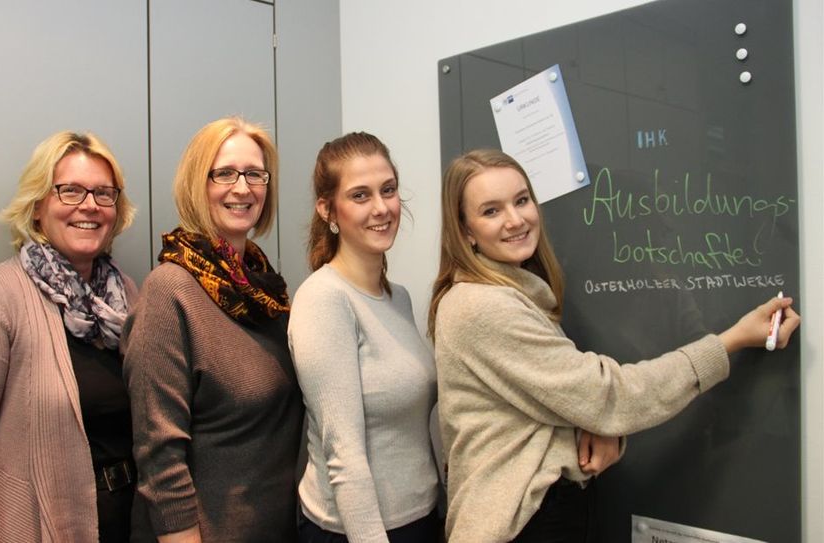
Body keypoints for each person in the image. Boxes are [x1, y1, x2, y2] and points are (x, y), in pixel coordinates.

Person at [427, 149, 801, 543]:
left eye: (522, 200)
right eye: (491, 211)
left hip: (539, 511)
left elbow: (551, 401)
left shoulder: (518, 293)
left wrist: (598, 421)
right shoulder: (481, 307)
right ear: (464, 230)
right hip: (517, 523)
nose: (516, 219)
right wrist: (733, 339)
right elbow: (608, 395)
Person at [0, 131, 139, 541]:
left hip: (129, 524)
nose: (90, 206)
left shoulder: (128, 298)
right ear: (38, 207)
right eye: (70, 191)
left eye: (103, 193)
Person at [122, 117, 303, 543]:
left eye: (254, 174)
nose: (242, 188)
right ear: (196, 184)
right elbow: (159, 454)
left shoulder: (266, 292)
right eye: (224, 173)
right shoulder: (170, 291)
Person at [288, 132, 441, 543]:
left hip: (420, 518)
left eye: (388, 190)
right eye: (360, 195)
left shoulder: (399, 298)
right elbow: (344, 457)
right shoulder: (323, 300)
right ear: (327, 209)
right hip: (356, 531)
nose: (381, 208)